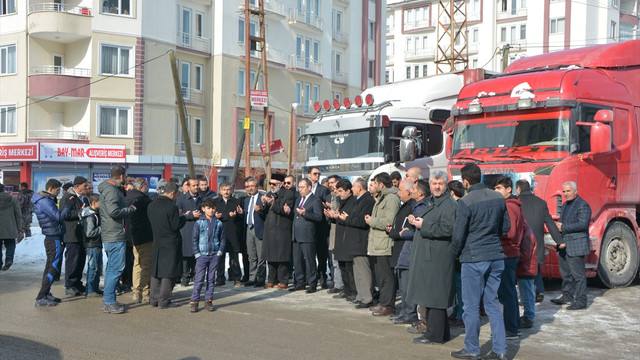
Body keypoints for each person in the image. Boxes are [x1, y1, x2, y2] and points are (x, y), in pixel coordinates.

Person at [450, 163, 510, 360]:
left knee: (471, 307)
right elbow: (505, 227)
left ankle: (472, 349)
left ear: (465, 181)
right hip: (496, 255)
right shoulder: (498, 197)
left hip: (474, 257)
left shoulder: (465, 202)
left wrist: (455, 253)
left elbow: (458, 235)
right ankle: (500, 350)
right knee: (492, 304)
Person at [409, 171, 457, 345]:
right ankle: (441, 333)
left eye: (440, 183)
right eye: (434, 183)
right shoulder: (436, 201)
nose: (437, 186)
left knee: (436, 297)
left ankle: (433, 335)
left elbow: (448, 229)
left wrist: (424, 224)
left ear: (446, 185)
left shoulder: (449, 204)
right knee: (433, 296)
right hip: (432, 256)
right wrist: (418, 221)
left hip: (438, 257)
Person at [515, 179, 561, 303]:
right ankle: (539, 291)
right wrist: (559, 240)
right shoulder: (541, 203)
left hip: (520, 242)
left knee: (521, 271)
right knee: (536, 267)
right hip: (537, 243)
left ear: (518, 189)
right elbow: (550, 223)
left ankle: (527, 296)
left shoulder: (516, 203)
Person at [99, 165, 136, 314]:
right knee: (116, 269)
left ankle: (109, 298)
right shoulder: (111, 190)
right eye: (125, 176)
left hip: (113, 234)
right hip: (114, 235)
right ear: (121, 176)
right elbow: (114, 211)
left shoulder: (111, 189)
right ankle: (109, 301)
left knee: (111, 269)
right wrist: (130, 209)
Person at [32, 179, 73, 306]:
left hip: (52, 236)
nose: (58, 193)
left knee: (50, 266)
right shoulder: (45, 202)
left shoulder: (44, 200)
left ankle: (46, 293)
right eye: (57, 190)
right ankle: (41, 296)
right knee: (53, 267)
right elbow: (59, 217)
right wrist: (68, 206)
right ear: (50, 189)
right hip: (53, 237)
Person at [551, 181, 591, 311]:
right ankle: (567, 296)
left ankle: (581, 301)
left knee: (578, 275)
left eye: (568, 191)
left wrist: (563, 227)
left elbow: (582, 224)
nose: (565, 194)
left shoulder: (583, 205)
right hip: (564, 245)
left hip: (576, 245)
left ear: (575, 191)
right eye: (564, 191)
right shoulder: (565, 205)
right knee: (566, 274)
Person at [493, 176, 524, 340]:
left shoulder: (509, 207)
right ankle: (513, 326)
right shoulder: (513, 205)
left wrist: (494, 232)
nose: (496, 191)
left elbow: (509, 232)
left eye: (499, 188)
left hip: (507, 252)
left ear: (508, 189)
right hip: (510, 252)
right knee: (509, 291)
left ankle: (511, 328)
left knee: (507, 293)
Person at [365, 172, 400, 317]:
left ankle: (388, 305)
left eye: (376, 183)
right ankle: (383, 302)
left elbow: (389, 220)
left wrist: (371, 221)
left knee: (386, 276)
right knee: (380, 276)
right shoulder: (382, 197)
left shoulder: (391, 198)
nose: (374, 185)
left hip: (384, 243)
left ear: (382, 184)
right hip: (377, 243)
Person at [148, 182, 186, 309]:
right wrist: (184, 217)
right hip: (171, 242)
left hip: (157, 241)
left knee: (156, 271)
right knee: (169, 272)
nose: (177, 198)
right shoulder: (172, 207)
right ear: (172, 193)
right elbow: (175, 225)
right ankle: (164, 300)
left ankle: (154, 299)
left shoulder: (152, 205)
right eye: (177, 195)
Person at [387, 179, 417, 325]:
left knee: (407, 286)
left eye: (400, 190)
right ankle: (405, 311)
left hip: (407, 249)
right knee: (403, 284)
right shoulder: (404, 205)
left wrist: (399, 233)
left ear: (409, 191)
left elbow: (408, 229)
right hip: (399, 248)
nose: (398, 193)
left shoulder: (413, 206)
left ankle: (409, 313)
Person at [189, 197, 227, 312]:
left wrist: (219, 252)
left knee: (211, 279)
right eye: (208, 208)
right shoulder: (199, 223)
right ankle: (194, 302)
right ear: (203, 209)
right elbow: (194, 239)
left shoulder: (219, 223)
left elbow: (223, 238)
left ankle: (208, 300)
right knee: (199, 279)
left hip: (214, 255)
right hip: (202, 255)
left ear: (215, 209)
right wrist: (197, 254)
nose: (210, 211)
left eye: (212, 208)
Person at [343, 178, 375, 308]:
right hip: (355, 241)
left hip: (360, 241)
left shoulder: (367, 200)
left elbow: (361, 221)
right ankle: (360, 295)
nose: (352, 189)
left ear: (360, 188)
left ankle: (367, 298)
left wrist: (347, 219)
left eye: (354, 187)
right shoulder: (360, 200)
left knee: (363, 270)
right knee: (357, 271)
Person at [289, 178, 324, 293]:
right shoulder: (299, 199)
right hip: (296, 234)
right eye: (299, 187)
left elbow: (319, 217)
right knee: (297, 261)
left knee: (310, 261)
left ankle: (312, 283)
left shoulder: (315, 200)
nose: (300, 189)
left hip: (308, 235)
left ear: (309, 187)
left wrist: (306, 213)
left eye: (303, 187)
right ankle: (300, 282)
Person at [262, 174, 295, 289]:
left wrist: (272, 203)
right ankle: (271, 280)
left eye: (274, 184)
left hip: (282, 229)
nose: (271, 186)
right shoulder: (268, 194)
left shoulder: (289, 194)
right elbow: (264, 213)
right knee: (270, 257)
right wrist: (262, 205)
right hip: (270, 229)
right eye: (270, 183)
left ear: (280, 184)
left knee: (282, 257)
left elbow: (286, 211)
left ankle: (283, 280)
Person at [59, 176, 89, 296]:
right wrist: (80, 213)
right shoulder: (68, 197)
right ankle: (70, 285)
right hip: (71, 234)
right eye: (84, 186)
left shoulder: (83, 198)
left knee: (80, 260)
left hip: (81, 234)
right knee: (73, 260)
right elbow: (65, 214)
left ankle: (77, 283)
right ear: (77, 186)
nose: (86, 188)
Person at [328, 179, 357, 301]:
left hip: (348, 238)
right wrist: (333, 216)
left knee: (349, 268)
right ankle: (346, 290)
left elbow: (349, 218)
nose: (338, 194)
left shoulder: (353, 202)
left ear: (348, 191)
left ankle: (353, 291)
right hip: (340, 237)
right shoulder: (341, 201)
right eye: (337, 191)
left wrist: (338, 217)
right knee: (342, 266)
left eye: (340, 191)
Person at [126, 178, 154, 303]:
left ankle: (136, 292)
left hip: (133, 236)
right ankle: (144, 292)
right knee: (146, 265)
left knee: (137, 265)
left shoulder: (127, 197)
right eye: (147, 185)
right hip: (145, 236)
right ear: (142, 187)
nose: (148, 188)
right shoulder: (143, 199)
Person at [213, 182, 244, 287]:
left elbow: (241, 218)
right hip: (220, 233)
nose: (226, 191)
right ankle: (220, 278)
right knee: (220, 257)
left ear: (231, 190)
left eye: (228, 189)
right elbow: (210, 217)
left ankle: (236, 278)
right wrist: (215, 216)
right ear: (220, 191)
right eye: (224, 189)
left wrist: (238, 215)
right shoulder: (216, 202)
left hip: (232, 232)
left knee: (234, 257)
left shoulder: (236, 202)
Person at [239, 177, 266, 287]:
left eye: (252, 186)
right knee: (251, 256)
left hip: (259, 229)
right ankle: (252, 277)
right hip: (249, 229)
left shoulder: (262, 198)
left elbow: (266, 214)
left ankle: (261, 278)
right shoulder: (246, 200)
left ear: (257, 186)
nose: (250, 188)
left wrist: (260, 210)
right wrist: (241, 213)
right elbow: (246, 214)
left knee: (261, 257)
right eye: (248, 186)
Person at [307, 167, 332, 288]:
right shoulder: (304, 188)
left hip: (320, 226)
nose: (317, 175)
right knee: (309, 254)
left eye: (319, 174)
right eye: (315, 173)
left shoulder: (323, 190)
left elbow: (328, 205)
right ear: (309, 175)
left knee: (321, 254)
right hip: (307, 226)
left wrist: (323, 205)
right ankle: (310, 277)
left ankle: (322, 276)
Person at [176, 179, 203, 286]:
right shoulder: (181, 198)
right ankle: (185, 277)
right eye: (194, 185)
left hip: (199, 229)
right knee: (186, 255)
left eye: (197, 185)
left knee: (197, 255)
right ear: (188, 186)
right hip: (186, 229)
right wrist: (191, 215)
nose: (196, 187)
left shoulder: (201, 198)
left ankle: (197, 277)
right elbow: (178, 214)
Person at [448, 179, 466, 328]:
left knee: (460, 285)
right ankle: (456, 310)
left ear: (451, 193)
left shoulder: (458, 206)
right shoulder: (463, 204)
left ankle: (460, 314)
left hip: (458, 251)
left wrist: (456, 250)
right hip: (459, 250)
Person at [80, 193, 103, 297]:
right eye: (100, 202)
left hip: (96, 244)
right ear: (94, 203)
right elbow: (89, 232)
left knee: (98, 267)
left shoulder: (95, 213)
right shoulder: (90, 216)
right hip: (92, 244)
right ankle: (90, 289)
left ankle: (95, 287)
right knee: (93, 267)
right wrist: (102, 229)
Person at [325, 175, 343, 294]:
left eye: (333, 182)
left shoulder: (340, 198)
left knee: (339, 261)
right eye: (329, 183)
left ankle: (340, 285)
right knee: (333, 260)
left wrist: (333, 211)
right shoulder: (330, 197)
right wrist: (327, 213)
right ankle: (337, 283)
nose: (331, 185)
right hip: (332, 230)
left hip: (340, 231)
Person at [0, 183, 21, 271]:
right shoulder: (13, 199)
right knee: (10, 244)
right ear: (4, 190)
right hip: (10, 227)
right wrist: (19, 227)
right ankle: (9, 260)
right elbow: (18, 214)